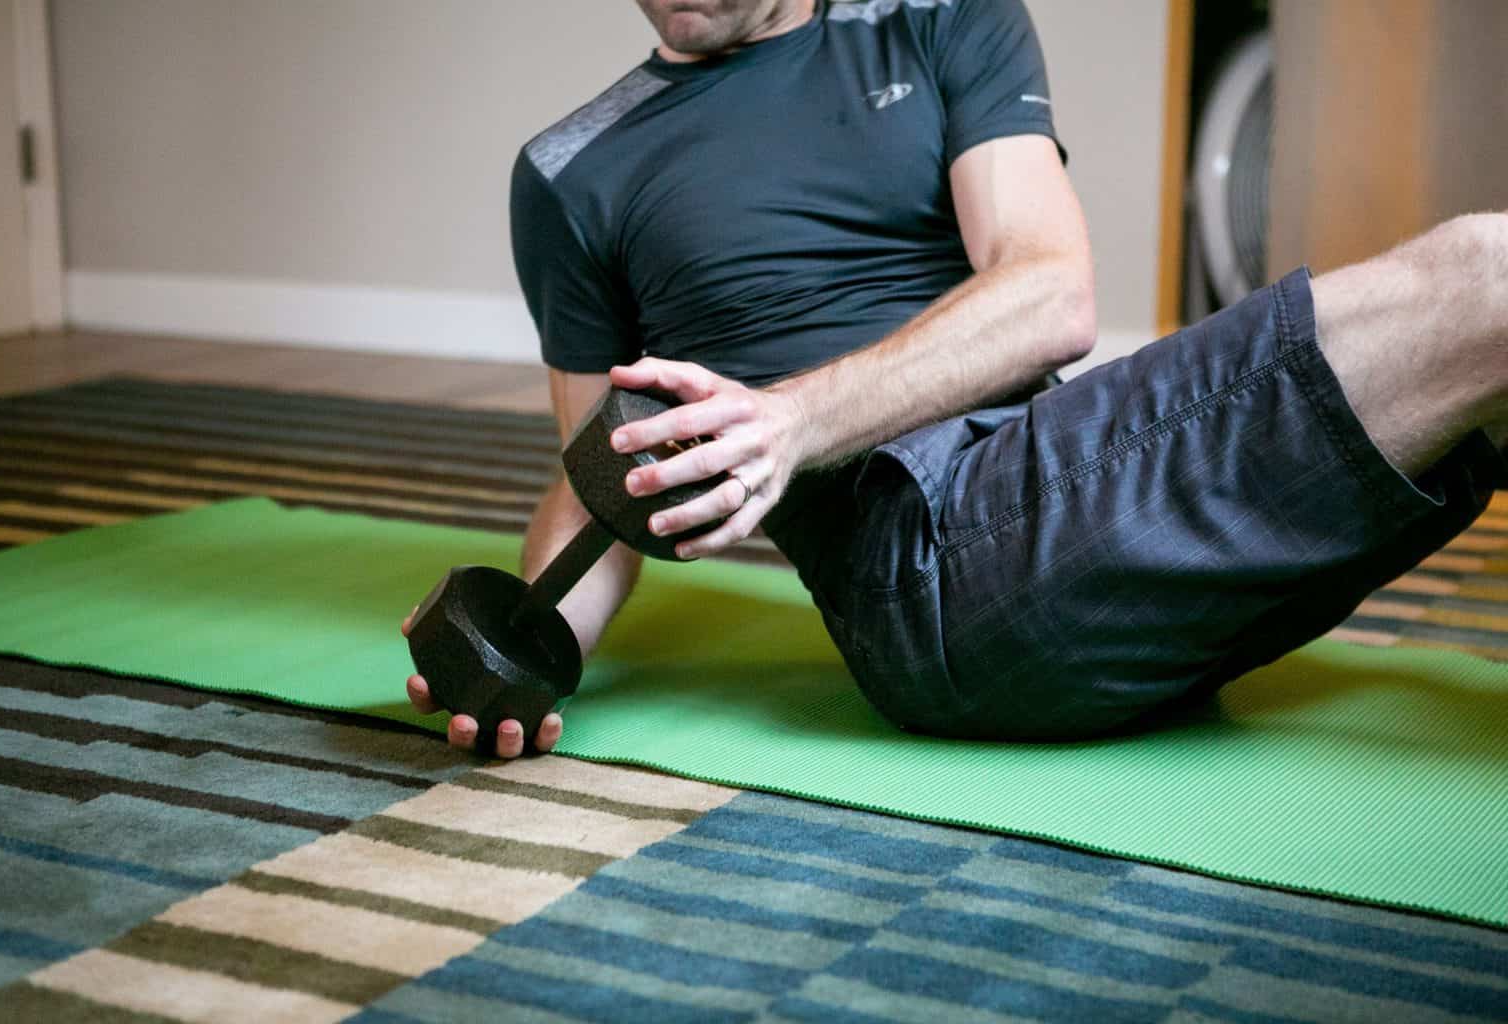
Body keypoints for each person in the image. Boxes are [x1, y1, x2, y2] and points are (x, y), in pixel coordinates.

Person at [405, 0, 1508, 757]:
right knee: (1489, 281)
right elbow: (603, 477)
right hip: (925, 574)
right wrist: (528, 655)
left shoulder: (944, 18)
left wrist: (792, 417)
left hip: (1055, 507)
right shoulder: (570, 172)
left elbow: (1049, 293)